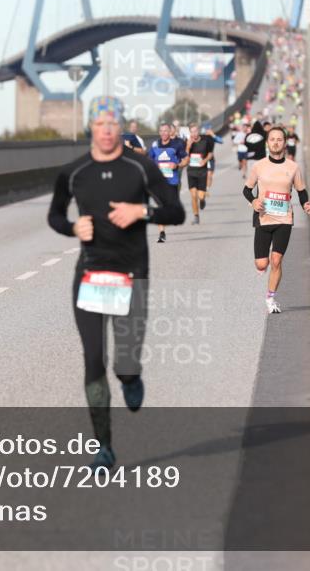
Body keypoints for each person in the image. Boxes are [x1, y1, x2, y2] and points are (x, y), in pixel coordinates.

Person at [48, 113, 185, 472]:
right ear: (90, 130)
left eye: (112, 125)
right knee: (94, 359)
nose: (106, 131)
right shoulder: (73, 172)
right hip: (90, 274)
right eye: (99, 124)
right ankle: (103, 448)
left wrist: (142, 211)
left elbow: (176, 212)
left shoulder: (140, 168)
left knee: (124, 363)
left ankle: (131, 377)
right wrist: (72, 227)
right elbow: (54, 217)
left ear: (119, 130)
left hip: (132, 274)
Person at [242, 126, 310, 314]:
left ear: (285, 142)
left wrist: (306, 204)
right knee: (262, 264)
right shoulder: (259, 166)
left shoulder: (292, 167)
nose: (275, 142)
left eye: (279, 139)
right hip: (263, 218)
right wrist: (254, 201)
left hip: (284, 219)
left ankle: (271, 298)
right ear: (267, 142)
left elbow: (301, 191)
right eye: (272, 139)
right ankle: (262, 266)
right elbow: (246, 190)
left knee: (276, 261)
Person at [147, 123, 188, 243]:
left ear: (170, 132)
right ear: (159, 132)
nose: (164, 133)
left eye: (166, 131)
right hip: (159, 182)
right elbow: (149, 160)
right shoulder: (155, 145)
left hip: (173, 180)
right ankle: (162, 233)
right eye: (161, 131)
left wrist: (177, 165)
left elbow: (186, 159)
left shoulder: (177, 145)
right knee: (160, 206)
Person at [185, 124, 215, 224]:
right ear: (190, 132)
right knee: (193, 195)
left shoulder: (206, 140)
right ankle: (196, 216)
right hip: (191, 171)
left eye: (195, 131)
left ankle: (202, 200)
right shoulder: (188, 142)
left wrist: (205, 160)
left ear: (198, 131)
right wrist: (188, 146)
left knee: (200, 196)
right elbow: (185, 156)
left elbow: (210, 154)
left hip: (202, 171)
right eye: (192, 132)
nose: (194, 133)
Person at [201, 124, 222, 193]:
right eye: (207, 130)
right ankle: (202, 187)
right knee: (203, 175)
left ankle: (207, 189)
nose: (209, 131)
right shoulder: (202, 137)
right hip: (201, 159)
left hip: (210, 159)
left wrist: (213, 135)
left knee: (209, 175)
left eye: (210, 129)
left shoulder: (212, 137)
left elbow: (221, 141)